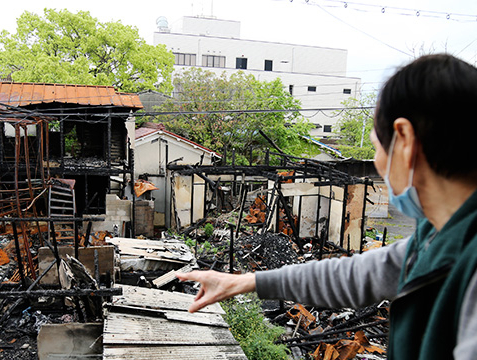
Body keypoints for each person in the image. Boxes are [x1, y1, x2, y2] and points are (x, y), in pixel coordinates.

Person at [176, 54, 477, 360]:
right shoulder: (436, 237)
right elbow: (356, 275)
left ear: (404, 140)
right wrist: (245, 282)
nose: (376, 161)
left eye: (375, 146)